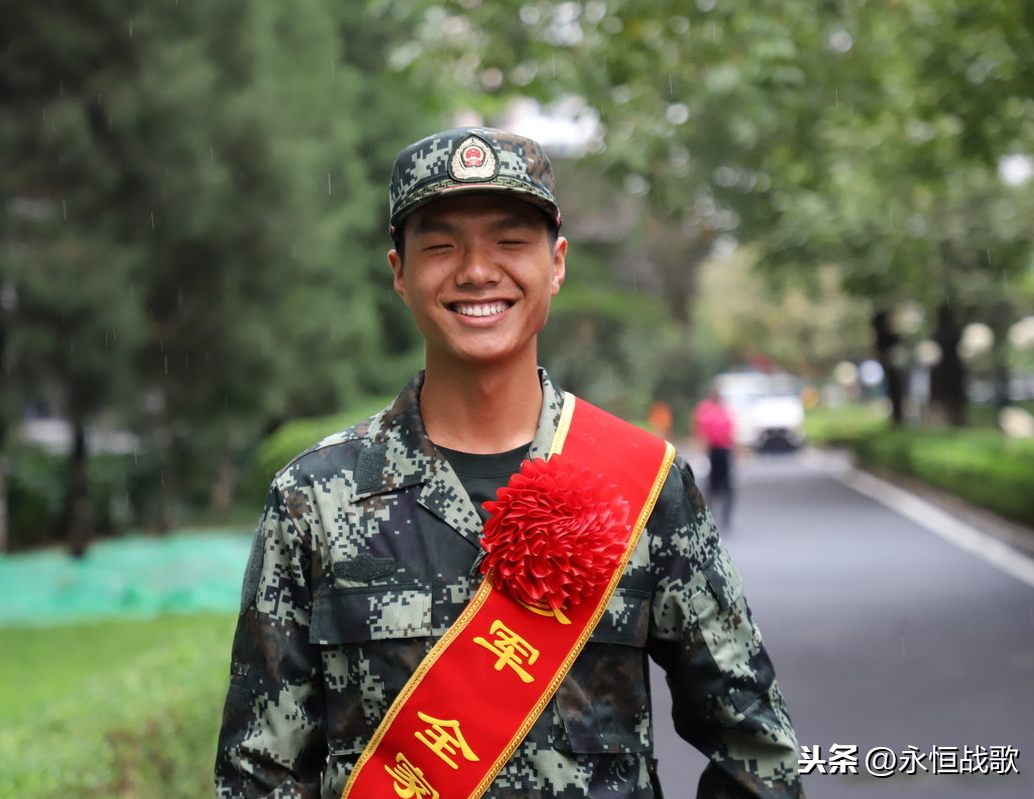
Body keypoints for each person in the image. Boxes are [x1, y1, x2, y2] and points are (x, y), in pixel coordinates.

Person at [215, 127, 804, 798]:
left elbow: (754, 745)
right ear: (399, 273)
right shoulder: (314, 498)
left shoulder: (643, 482)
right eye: (440, 245)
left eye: (510, 242)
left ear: (556, 264)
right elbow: (259, 772)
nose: (476, 270)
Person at [693, 385, 736, 532]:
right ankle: (710, 516)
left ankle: (725, 518)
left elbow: (730, 431)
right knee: (711, 486)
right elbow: (701, 431)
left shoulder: (723, 409)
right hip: (713, 451)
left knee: (726, 486)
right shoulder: (706, 409)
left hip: (724, 450)